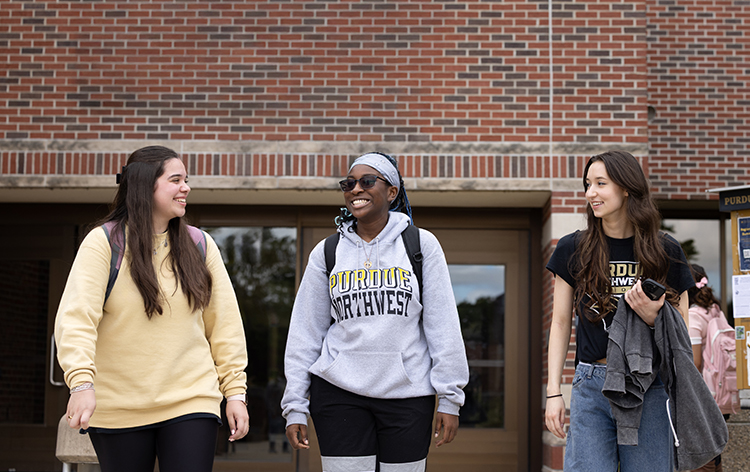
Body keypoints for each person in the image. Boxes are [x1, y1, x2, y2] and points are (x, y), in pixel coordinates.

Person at [54, 146, 249, 472]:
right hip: (119, 406)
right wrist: (81, 384)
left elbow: (224, 325)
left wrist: (236, 393)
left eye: (186, 180)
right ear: (145, 185)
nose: (185, 187)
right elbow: (76, 320)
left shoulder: (199, 245)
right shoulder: (104, 243)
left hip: (191, 400)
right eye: (176, 180)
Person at [281, 152, 469, 472]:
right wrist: (295, 406)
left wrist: (450, 397)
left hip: (407, 395)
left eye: (367, 181)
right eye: (348, 183)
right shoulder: (328, 252)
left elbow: (443, 326)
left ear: (392, 192)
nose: (356, 189)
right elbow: (304, 333)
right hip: (339, 393)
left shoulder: (421, 245)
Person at [544, 150, 694, 471]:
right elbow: (559, 324)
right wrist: (553, 392)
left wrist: (655, 317)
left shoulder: (665, 249)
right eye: (587, 184)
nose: (590, 193)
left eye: (601, 183)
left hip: (649, 387)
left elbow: (682, 333)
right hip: (592, 384)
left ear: (626, 187)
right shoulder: (574, 247)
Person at [688, 264, 730, 472]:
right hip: (722, 390)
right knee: (714, 453)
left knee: (702, 457)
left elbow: (695, 362)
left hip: (703, 396)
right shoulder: (715, 309)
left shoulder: (694, 315)